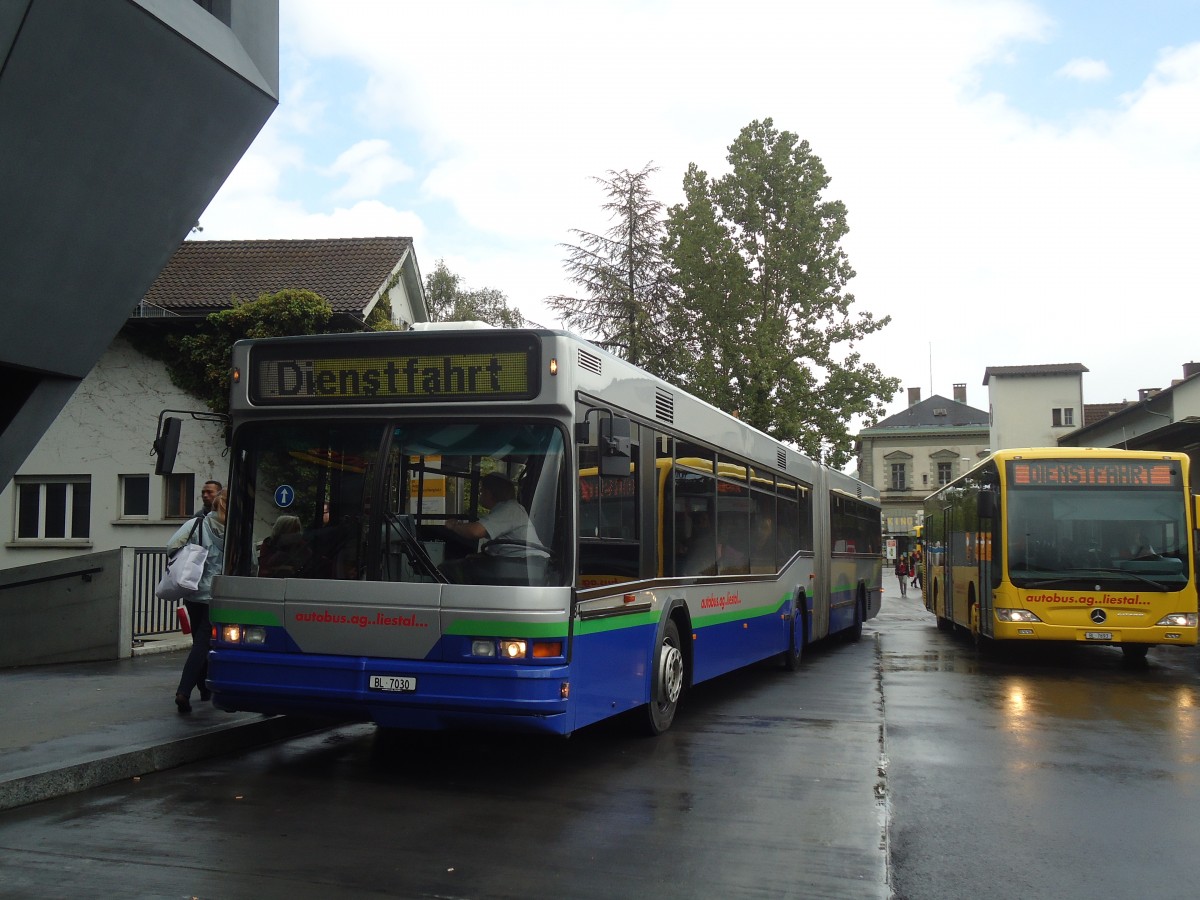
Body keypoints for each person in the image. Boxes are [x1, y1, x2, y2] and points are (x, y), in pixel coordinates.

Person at [168, 488, 226, 713]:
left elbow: (171, 546)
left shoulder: (196, 524)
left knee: (199, 642)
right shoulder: (238, 530)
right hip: (218, 594)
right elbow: (251, 563)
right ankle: (184, 691)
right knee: (204, 643)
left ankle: (202, 688)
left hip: (193, 591)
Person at [442, 473, 548, 583]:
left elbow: (474, 532)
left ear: (489, 493)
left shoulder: (509, 509)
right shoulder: (503, 511)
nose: (480, 495)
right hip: (522, 564)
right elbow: (497, 549)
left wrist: (454, 525)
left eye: (481, 491)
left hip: (527, 565)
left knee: (448, 569)